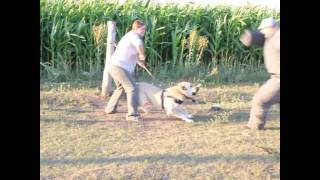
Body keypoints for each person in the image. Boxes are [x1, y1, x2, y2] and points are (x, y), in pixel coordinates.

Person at [240, 17, 280, 130]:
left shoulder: (278, 37)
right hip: (276, 77)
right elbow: (254, 38)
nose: (262, 32)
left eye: (264, 29)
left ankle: (255, 126)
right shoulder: (270, 37)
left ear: (273, 27)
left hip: (278, 80)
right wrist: (250, 37)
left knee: (260, 100)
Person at [105, 20, 146, 121]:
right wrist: (141, 54)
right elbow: (139, 44)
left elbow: (128, 52)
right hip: (119, 67)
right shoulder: (134, 36)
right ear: (136, 28)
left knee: (121, 87)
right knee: (132, 88)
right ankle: (132, 115)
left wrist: (138, 60)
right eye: (143, 29)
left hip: (114, 66)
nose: (144, 31)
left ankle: (110, 109)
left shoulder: (129, 36)